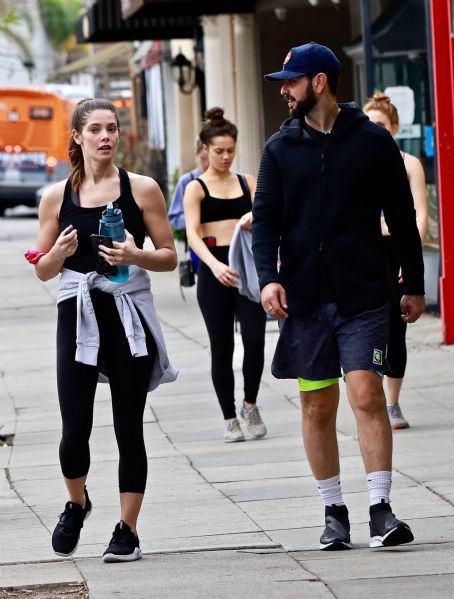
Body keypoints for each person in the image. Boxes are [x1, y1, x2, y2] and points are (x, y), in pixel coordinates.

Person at [252, 43, 425, 551]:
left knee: (367, 394)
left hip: (365, 294)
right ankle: (334, 512)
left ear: (320, 82)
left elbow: (401, 218)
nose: (284, 90)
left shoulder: (372, 142)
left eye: (292, 81)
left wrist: (412, 284)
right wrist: (268, 278)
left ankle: (380, 509)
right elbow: (265, 224)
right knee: (317, 405)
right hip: (305, 300)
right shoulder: (279, 148)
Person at [30, 98, 178, 563]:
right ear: (77, 136)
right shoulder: (57, 197)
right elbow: (42, 269)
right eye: (94, 129)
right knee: (75, 426)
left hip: (125, 311)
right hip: (76, 313)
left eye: (111, 128)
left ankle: (127, 529)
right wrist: (59, 251)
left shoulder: (143, 189)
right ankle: (77, 503)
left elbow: (171, 255)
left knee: (128, 426)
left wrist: (136, 256)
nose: (105, 136)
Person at [184, 107, 267, 443]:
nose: (225, 156)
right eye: (219, 151)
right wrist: (213, 266)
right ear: (206, 149)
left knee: (255, 338)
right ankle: (229, 417)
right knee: (222, 345)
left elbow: (268, 219)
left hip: (246, 266)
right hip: (214, 265)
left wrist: (253, 218)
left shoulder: (247, 182)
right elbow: (191, 232)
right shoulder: (196, 187)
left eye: (231, 150)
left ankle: (250, 403)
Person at [363, 93, 428, 430]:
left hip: (396, 252)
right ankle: (370, 397)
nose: (376, 131)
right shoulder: (357, 160)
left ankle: (392, 402)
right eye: (370, 124)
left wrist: (409, 257)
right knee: (367, 327)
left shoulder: (408, 163)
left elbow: (418, 215)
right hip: (366, 252)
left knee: (396, 327)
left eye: (382, 126)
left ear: (395, 127)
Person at [168, 138, 209, 273]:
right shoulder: (187, 181)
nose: (207, 163)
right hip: (197, 244)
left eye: (209, 158)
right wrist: (194, 219)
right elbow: (174, 216)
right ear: (197, 156)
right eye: (203, 158)